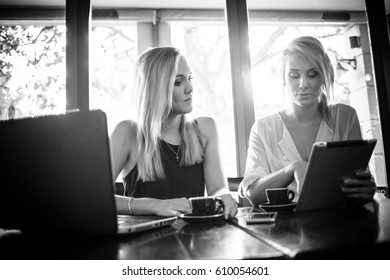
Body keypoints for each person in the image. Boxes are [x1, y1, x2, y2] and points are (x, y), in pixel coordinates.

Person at [239, 36, 376, 207]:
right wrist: (293, 168)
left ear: (324, 77)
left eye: (312, 74)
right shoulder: (263, 128)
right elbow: (253, 194)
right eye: (294, 75)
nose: (303, 84)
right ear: (283, 78)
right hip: (281, 230)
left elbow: (361, 178)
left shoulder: (345, 117)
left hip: (338, 224)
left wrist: (366, 187)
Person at [110, 46, 237, 219]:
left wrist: (224, 196)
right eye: (178, 82)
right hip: (145, 242)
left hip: (196, 239)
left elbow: (217, 189)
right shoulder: (128, 132)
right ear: (154, 88)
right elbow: (94, 197)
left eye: (190, 79)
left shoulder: (205, 129)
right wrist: (155, 205)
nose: (190, 88)